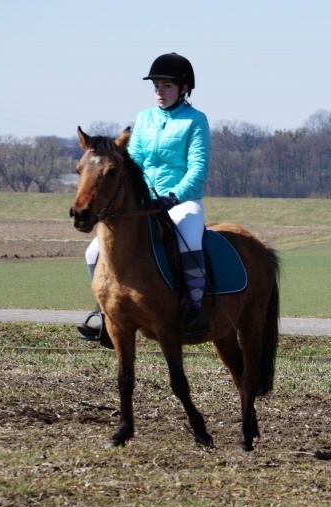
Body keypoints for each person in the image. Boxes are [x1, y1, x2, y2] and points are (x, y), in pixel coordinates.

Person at [78, 52, 212, 341]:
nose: (160, 92)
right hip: (143, 205)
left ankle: (193, 308)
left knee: (188, 239)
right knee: (92, 251)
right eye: (156, 86)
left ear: (183, 88)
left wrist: (174, 196)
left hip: (181, 201)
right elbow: (133, 160)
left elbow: (198, 167)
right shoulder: (144, 118)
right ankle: (105, 314)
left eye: (166, 86)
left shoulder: (195, 120)